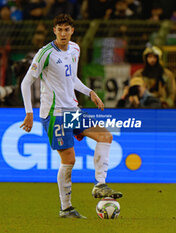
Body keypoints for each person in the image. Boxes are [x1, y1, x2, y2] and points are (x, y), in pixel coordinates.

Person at [20, 14, 122, 219]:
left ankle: (100, 185)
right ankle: (66, 208)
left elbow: (71, 78)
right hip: (54, 113)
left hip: (72, 111)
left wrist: (89, 92)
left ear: (72, 31)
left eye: (67, 29)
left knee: (106, 137)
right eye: (59, 29)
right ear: (54, 31)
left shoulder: (75, 49)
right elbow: (25, 83)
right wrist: (29, 113)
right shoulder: (45, 53)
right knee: (69, 159)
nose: (63, 33)